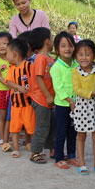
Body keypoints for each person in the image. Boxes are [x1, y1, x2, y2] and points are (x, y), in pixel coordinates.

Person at [71, 39, 95, 175]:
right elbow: (77, 89)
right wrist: (92, 93)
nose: (84, 57)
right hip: (82, 106)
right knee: (81, 136)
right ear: (76, 57)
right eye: (80, 54)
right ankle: (82, 163)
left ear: (94, 56)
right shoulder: (75, 71)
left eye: (87, 54)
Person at [50, 31, 78, 170]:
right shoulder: (56, 67)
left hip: (77, 104)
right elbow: (58, 88)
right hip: (62, 104)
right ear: (57, 50)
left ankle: (72, 156)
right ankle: (59, 157)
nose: (67, 49)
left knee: (73, 131)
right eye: (63, 46)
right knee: (61, 131)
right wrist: (70, 101)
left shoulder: (76, 64)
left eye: (70, 45)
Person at [28, 27, 56, 164]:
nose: (52, 41)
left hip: (48, 99)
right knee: (42, 125)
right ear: (47, 41)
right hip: (41, 98)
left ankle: (52, 149)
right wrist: (48, 96)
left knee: (51, 125)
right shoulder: (40, 58)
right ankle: (35, 152)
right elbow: (39, 78)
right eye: (51, 38)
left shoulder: (49, 58)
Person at [5, 38, 35, 158]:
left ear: (14, 53)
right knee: (15, 128)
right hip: (15, 105)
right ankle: (16, 149)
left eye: (7, 53)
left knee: (31, 127)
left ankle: (33, 147)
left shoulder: (29, 66)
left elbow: (35, 80)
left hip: (28, 104)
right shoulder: (11, 68)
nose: (6, 56)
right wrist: (19, 87)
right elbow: (8, 81)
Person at [0, 32, 12, 148]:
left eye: (5, 43)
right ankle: (2, 138)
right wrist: (10, 85)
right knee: (3, 116)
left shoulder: (12, 59)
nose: (2, 46)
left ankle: (8, 136)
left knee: (11, 116)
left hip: (13, 91)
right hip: (2, 91)